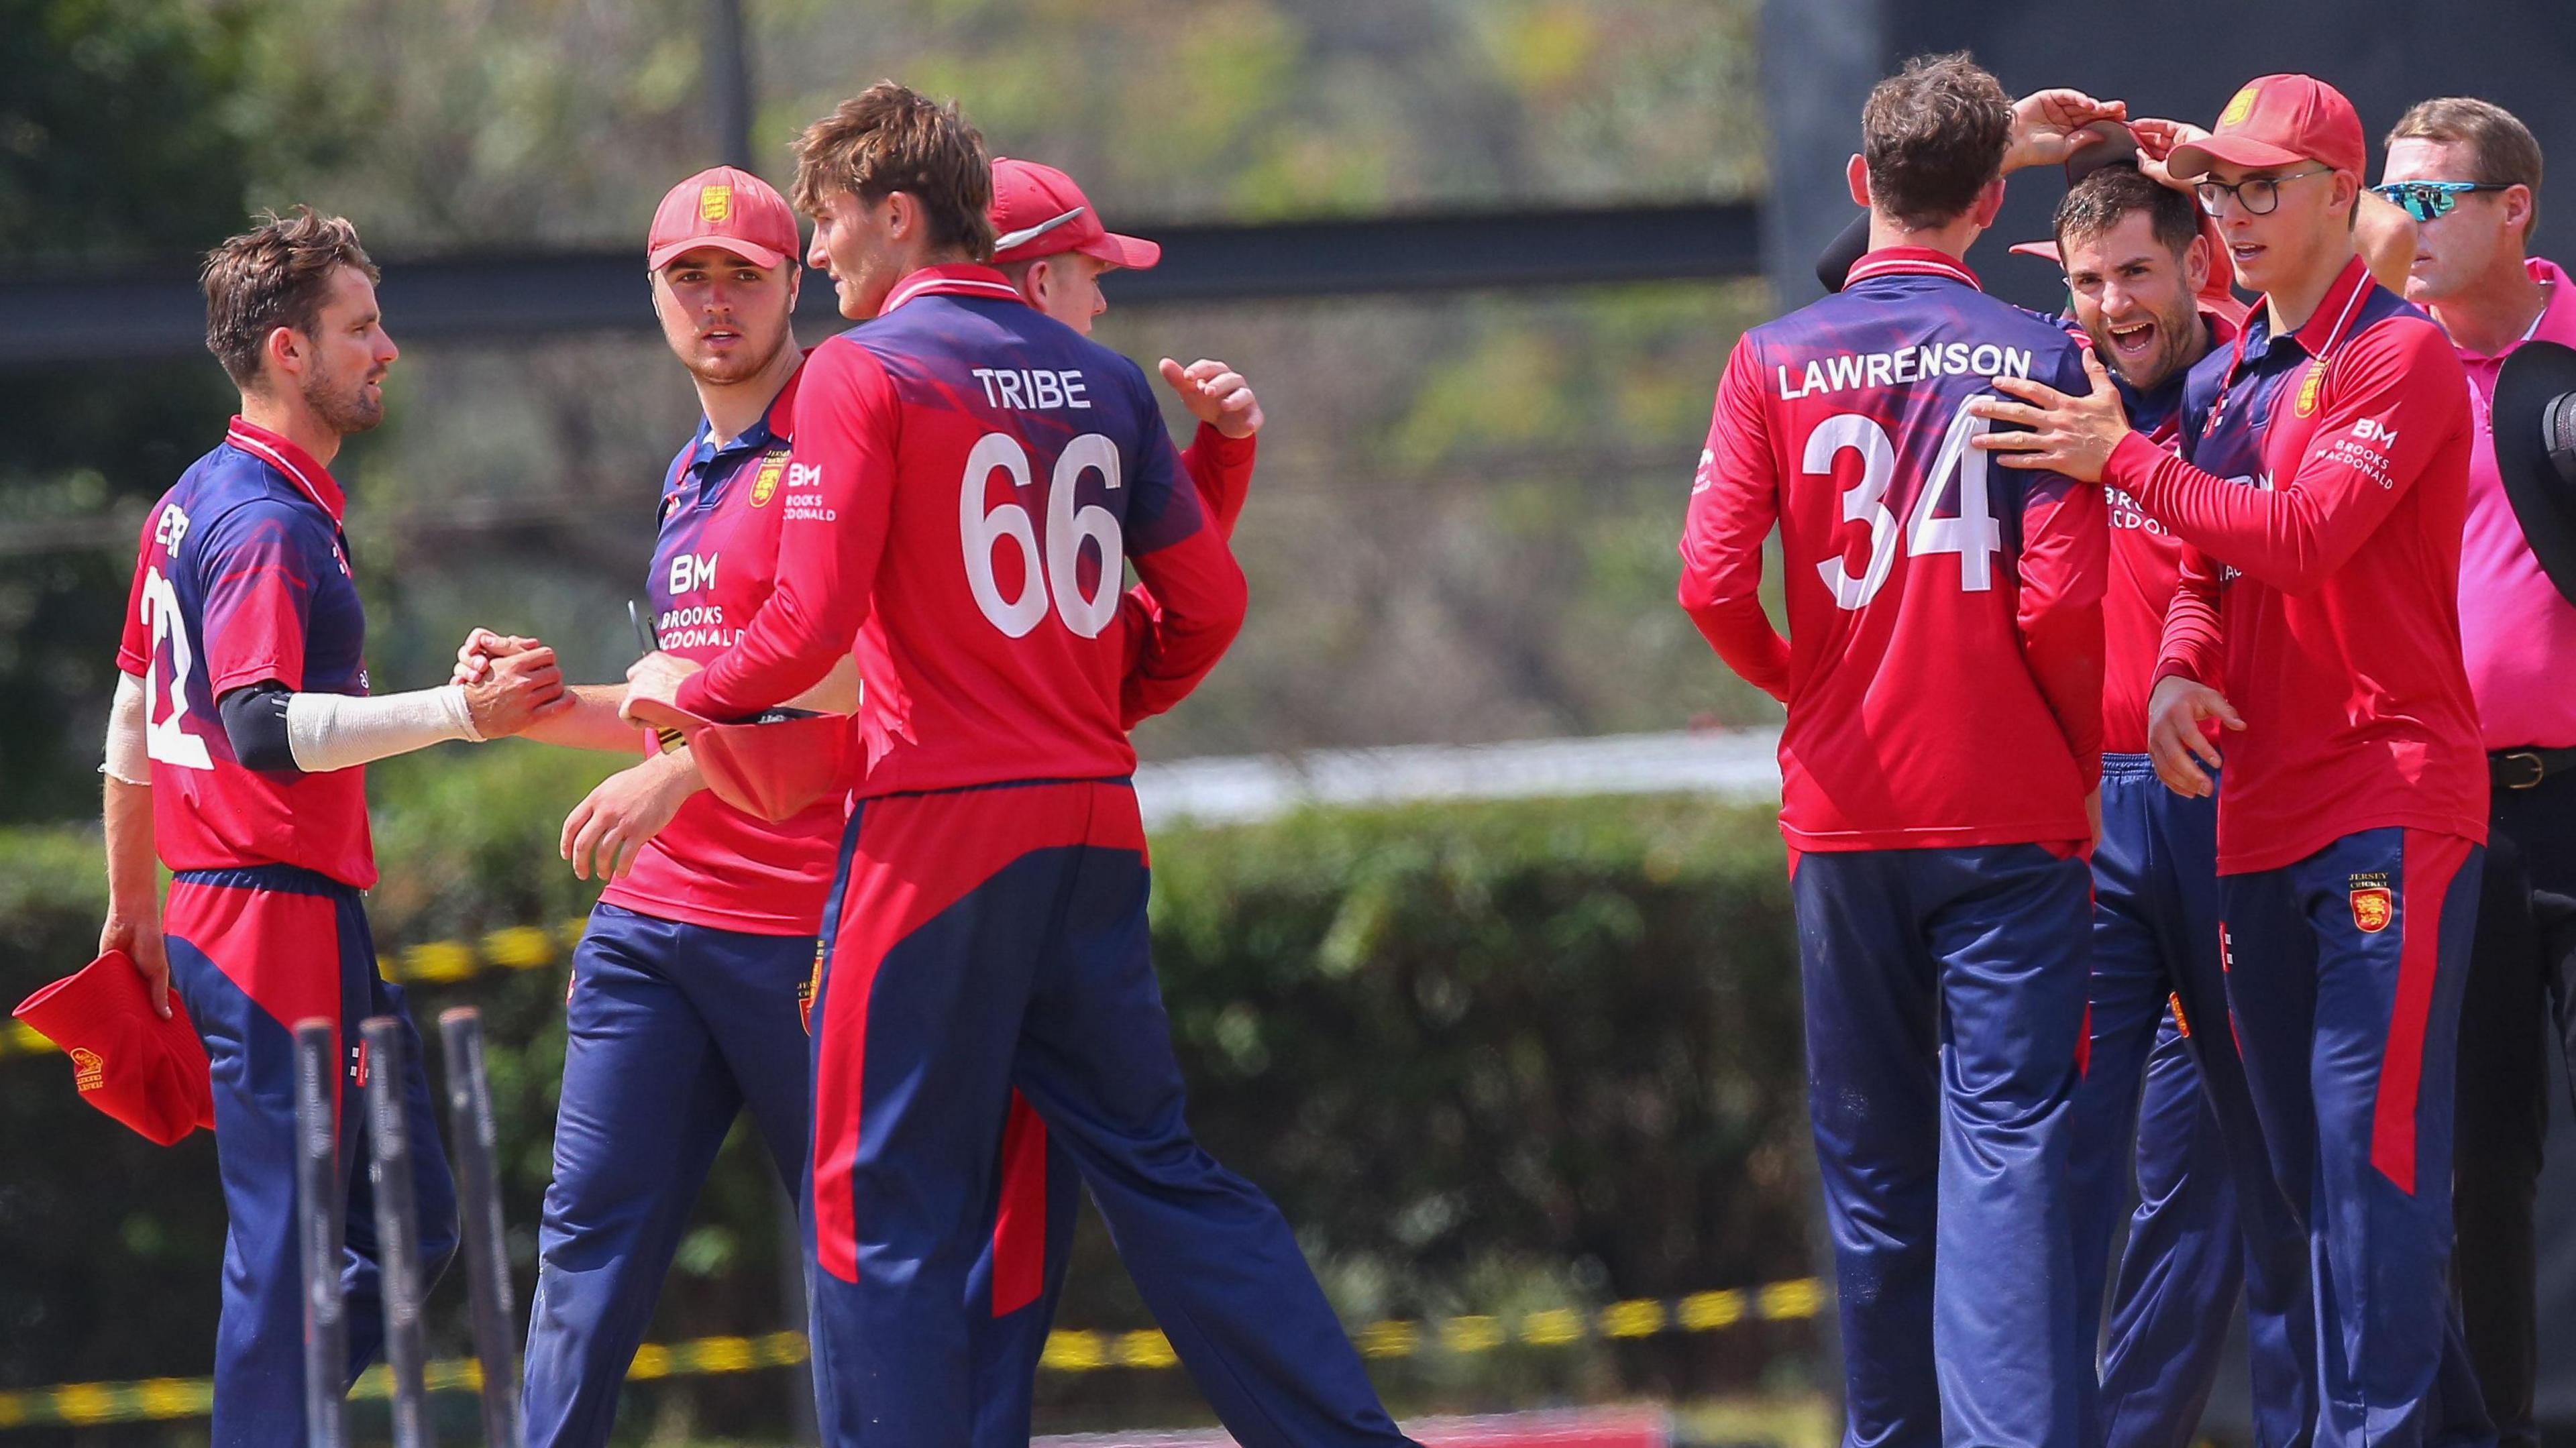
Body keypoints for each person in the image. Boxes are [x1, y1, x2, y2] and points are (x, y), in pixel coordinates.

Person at [621, 83, 1410, 1447]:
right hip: (1090, 823)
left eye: (828, 224)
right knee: (1160, 1170)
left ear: (899, 214)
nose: (819, 255)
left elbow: (805, 625)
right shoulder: (1096, 375)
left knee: (878, 1202)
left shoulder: (862, 374)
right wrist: (1098, 701)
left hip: (934, 836)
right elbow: (1207, 604)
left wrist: (689, 693)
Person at [1973, 72, 2493, 1448]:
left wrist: (2121, 466)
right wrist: (2186, 670)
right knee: (2301, 1183)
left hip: (2388, 799)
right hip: (2249, 816)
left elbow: (2305, 535)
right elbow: (2211, 570)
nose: (2243, 211)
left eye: (2267, 185)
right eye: (2224, 186)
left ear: (2340, 195)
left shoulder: (2401, 355)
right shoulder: (2216, 376)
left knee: (2370, 1173)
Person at [1677, 53, 2104, 1448]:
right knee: (2012, 1161)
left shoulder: (1771, 358)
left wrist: (1805, 682)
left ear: (1862, 189)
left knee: (1872, 1171)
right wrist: (2057, 740)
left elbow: (1710, 580)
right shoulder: (2047, 352)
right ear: (1993, 202)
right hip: (2008, 815)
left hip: (1846, 811)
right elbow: (2058, 603)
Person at [96, 207, 566, 1447]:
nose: (387, 349)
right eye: (361, 328)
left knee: (408, 1221)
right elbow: (258, 730)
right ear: (288, 352)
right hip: (264, 917)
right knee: (298, 1249)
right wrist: (461, 714)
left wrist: (132, 909)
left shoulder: (196, 498)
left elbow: (134, 722)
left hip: (257, 910)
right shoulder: (265, 520)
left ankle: (279, 1421)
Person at [2034, 160, 2310, 1448]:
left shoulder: (2250, 380)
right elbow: (1851, 281)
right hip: (2090, 825)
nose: (2113, 307)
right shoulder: (2041, 370)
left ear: (2197, 260)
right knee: (2067, 1159)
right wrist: (2007, 154)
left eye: (2136, 273)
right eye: (2088, 282)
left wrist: (2127, 453)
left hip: (2222, 799)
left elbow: (2372, 241)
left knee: (2240, 1167)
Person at [2379, 95, 2576, 1448]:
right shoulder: (2374, 365)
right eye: (2394, 197)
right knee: (2481, 1170)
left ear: (2514, 209)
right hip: (2452, 822)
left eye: (2434, 198)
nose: (2406, 225)